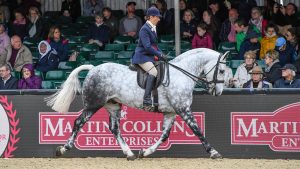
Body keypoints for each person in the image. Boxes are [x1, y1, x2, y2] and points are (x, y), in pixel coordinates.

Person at [131, 7, 167, 111]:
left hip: (148, 56)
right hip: (141, 56)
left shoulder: (152, 28)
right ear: (151, 17)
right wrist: (159, 55)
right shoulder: (144, 29)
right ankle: (146, 99)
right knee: (154, 72)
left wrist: (161, 53)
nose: (159, 19)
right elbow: (147, 47)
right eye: (157, 17)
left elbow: (154, 45)